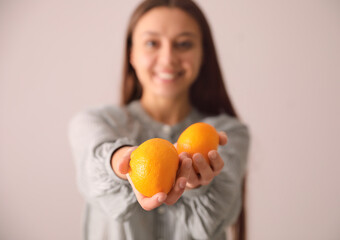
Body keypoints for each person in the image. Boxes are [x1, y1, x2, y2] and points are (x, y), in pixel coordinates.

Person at [68, 0, 250, 239]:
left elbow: (211, 222)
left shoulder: (227, 134)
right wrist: (122, 162)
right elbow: (96, 164)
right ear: (131, 53)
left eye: (184, 44)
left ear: (203, 54)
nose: (167, 59)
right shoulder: (94, 121)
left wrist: (197, 185)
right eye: (152, 43)